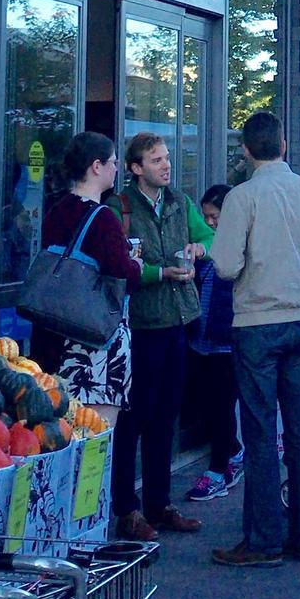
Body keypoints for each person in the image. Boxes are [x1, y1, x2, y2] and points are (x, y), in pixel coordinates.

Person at [210, 110, 300, 568]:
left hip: (256, 325)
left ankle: (264, 541)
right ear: (284, 146)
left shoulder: (242, 198)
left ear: (246, 149)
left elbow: (224, 266)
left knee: (261, 433)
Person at [107, 133, 214, 542]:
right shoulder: (119, 208)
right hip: (139, 327)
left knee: (166, 416)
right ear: (136, 169)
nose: (166, 166)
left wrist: (198, 249)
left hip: (177, 321)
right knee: (133, 419)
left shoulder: (179, 202)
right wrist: (158, 273)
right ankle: (127, 510)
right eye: (156, 161)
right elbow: (115, 264)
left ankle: (159, 503)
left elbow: (209, 236)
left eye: (166, 158)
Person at [31, 132, 143, 421]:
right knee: (95, 436)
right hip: (92, 343)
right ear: (97, 166)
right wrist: (137, 266)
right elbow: (121, 274)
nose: (116, 169)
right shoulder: (104, 218)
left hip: (53, 333)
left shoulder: (56, 210)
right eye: (113, 162)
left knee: (58, 431)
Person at [184, 185, 245, 500]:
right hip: (200, 339)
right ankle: (232, 452)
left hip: (226, 341)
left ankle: (219, 470)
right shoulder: (204, 248)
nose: (209, 223)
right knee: (207, 404)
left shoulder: (241, 246)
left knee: (222, 406)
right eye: (205, 216)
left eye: (214, 216)